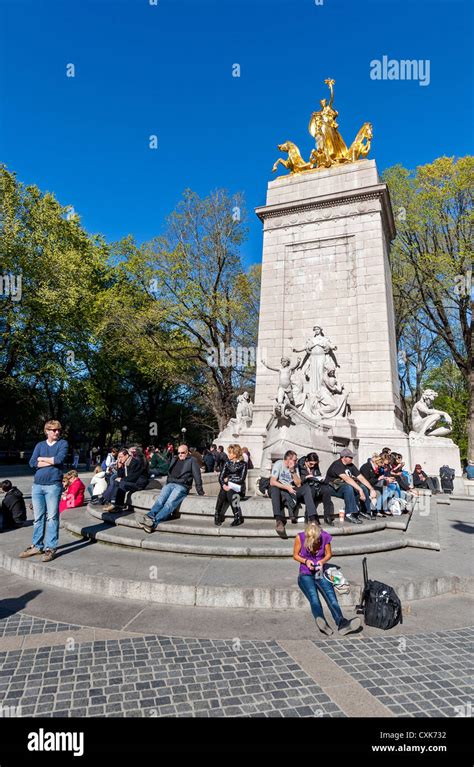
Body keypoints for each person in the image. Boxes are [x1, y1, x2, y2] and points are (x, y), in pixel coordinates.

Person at [293, 522, 361, 635]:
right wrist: (306, 561)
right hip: (305, 573)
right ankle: (322, 622)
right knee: (314, 598)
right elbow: (295, 555)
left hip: (320, 572)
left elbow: (329, 554)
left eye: (317, 541)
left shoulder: (324, 536)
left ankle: (342, 623)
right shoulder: (300, 537)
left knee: (331, 597)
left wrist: (321, 561)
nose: (316, 543)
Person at [20, 420, 68, 562]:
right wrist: (49, 461)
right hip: (37, 485)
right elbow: (32, 462)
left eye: (58, 430)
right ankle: (37, 545)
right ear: (47, 431)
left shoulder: (62, 444)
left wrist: (42, 459)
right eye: (54, 430)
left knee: (52, 517)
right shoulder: (40, 445)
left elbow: (59, 459)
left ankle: (50, 548)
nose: (57, 432)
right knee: (38, 518)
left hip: (53, 485)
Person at [137, 445, 204, 532]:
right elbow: (169, 471)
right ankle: (149, 516)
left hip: (182, 485)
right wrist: (168, 481)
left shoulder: (192, 460)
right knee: (160, 500)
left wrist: (200, 491)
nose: (180, 454)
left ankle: (153, 522)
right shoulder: (175, 458)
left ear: (187, 452)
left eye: (182, 453)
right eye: (179, 452)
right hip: (170, 483)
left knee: (169, 503)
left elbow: (197, 476)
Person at [270, 450, 318, 537]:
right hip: (281, 488)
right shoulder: (279, 464)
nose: (296, 462)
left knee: (306, 488)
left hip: (292, 488)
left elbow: (298, 484)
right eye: (295, 460)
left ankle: (312, 519)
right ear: (288, 459)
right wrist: (287, 488)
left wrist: (292, 471)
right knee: (274, 489)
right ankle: (279, 521)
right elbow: (272, 482)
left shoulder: (295, 467)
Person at [324, 448, 377, 524]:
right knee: (348, 487)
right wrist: (359, 490)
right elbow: (347, 479)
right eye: (350, 457)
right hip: (331, 487)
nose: (352, 459)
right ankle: (349, 514)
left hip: (341, 486)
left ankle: (365, 511)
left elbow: (360, 477)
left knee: (363, 487)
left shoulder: (351, 465)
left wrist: (371, 489)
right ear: (344, 457)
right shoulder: (337, 465)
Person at [214, 444, 247, 527]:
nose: (228, 454)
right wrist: (223, 485)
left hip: (238, 489)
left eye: (230, 453)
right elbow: (221, 477)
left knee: (230, 492)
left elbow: (241, 479)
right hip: (228, 487)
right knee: (223, 491)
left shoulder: (243, 464)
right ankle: (217, 514)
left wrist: (229, 479)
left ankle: (237, 517)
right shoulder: (227, 463)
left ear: (235, 454)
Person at [297, 452, 334, 525]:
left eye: (315, 464)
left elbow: (318, 475)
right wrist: (306, 477)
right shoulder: (299, 465)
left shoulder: (315, 465)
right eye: (311, 464)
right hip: (304, 487)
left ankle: (327, 516)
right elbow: (297, 481)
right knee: (311, 490)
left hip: (315, 484)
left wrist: (320, 479)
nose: (313, 466)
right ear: (306, 460)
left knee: (326, 490)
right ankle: (309, 516)